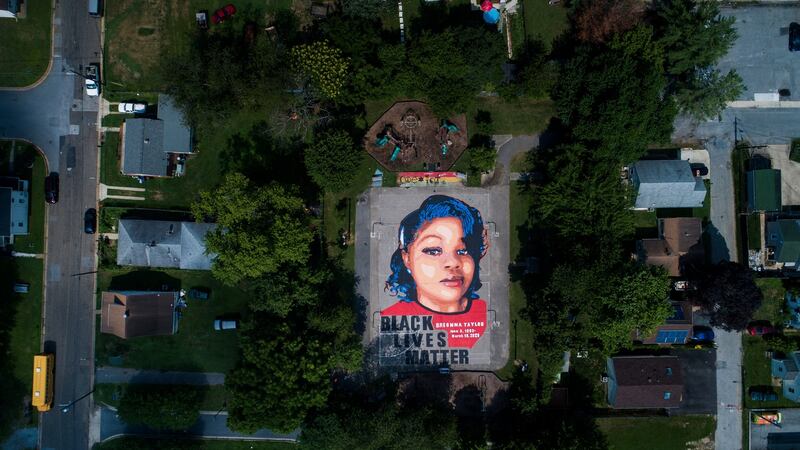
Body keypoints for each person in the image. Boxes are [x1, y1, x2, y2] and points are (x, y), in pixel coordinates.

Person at [383, 195, 489, 315]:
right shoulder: (390, 319)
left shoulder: (489, 314)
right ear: (407, 259)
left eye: (463, 251)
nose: (453, 263)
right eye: (433, 251)